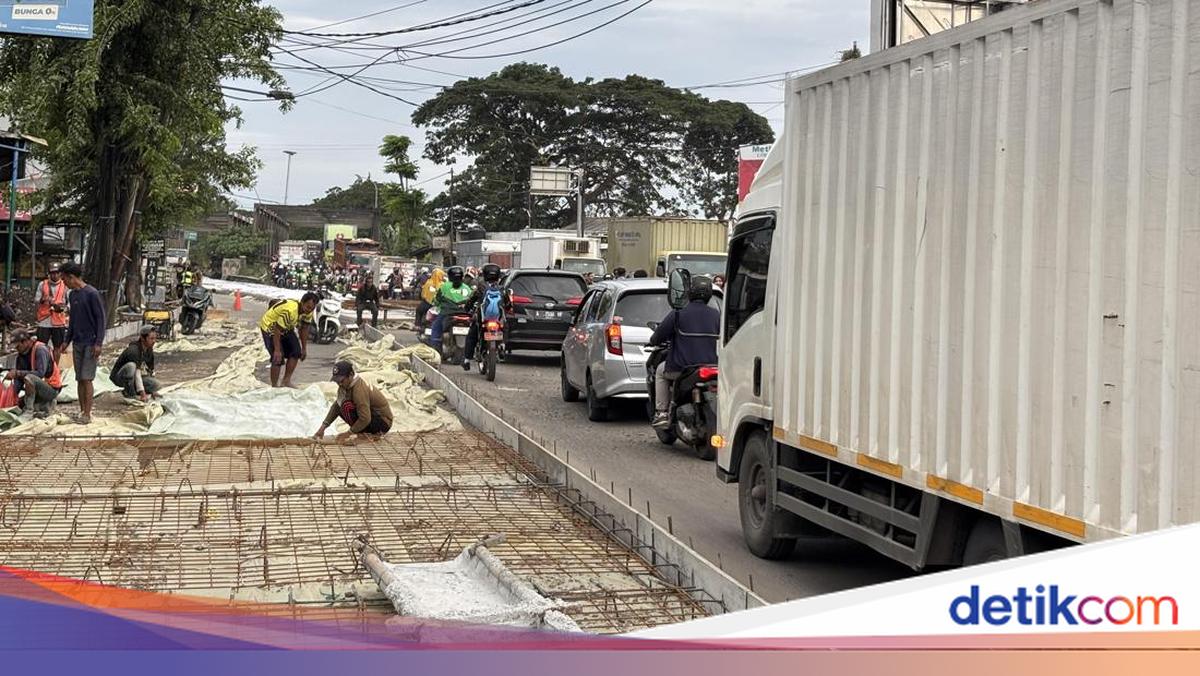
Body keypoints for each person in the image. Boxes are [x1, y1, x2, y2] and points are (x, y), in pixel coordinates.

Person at [648, 276, 720, 429]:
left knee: (660, 371)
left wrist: (653, 340)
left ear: (689, 293)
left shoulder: (678, 314)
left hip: (681, 369)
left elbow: (657, 337)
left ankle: (661, 413)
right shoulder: (717, 315)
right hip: (713, 367)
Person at [60, 262, 106, 425]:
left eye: (64, 279)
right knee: (79, 378)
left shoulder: (92, 294)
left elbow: (101, 319)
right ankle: (82, 411)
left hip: (91, 342)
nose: (63, 282)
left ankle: (87, 413)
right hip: (78, 342)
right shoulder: (72, 295)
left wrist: (98, 342)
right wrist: (67, 340)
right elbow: (72, 320)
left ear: (72, 277)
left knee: (87, 378)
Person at [314, 361, 394, 439]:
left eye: (342, 381)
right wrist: (322, 428)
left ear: (351, 375)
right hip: (372, 417)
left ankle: (364, 433)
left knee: (346, 406)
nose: (340, 384)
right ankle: (360, 431)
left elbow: (365, 418)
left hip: (383, 423)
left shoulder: (359, 390)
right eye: (337, 382)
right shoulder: (345, 387)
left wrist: (349, 433)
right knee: (341, 405)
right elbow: (336, 407)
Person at [259, 292, 319, 388]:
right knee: (278, 358)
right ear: (302, 303)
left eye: (312, 308)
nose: (309, 310)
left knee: (296, 351)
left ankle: (286, 381)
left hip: (286, 327)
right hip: (270, 327)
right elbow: (277, 330)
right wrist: (277, 350)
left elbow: (304, 328)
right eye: (307, 307)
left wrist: (304, 348)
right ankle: (274, 386)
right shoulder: (290, 311)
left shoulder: (309, 312)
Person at [460, 264, 510, 371]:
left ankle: (467, 360)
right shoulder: (502, 288)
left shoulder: (481, 287)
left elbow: (471, 300)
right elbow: (508, 304)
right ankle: (503, 345)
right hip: (497, 320)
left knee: (472, 334)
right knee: (505, 327)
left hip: (482, 319)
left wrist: (467, 308)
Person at [4, 328, 63, 417]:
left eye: (18, 346)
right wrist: (12, 396)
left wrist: (18, 373)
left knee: (29, 378)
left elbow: (40, 373)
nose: (17, 349)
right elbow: (18, 380)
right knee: (18, 403)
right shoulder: (21, 356)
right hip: (37, 388)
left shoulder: (40, 349)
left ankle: (29, 411)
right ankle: (40, 405)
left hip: (51, 389)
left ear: (24, 342)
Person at [430, 266, 472, 358]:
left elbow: (437, 299)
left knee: (436, 327)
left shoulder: (444, 286)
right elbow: (471, 299)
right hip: (465, 314)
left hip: (447, 313)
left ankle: (435, 352)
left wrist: (437, 303)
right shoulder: (467, 288)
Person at [111, 325, 160, 402]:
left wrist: (153, 390)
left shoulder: (149, 349)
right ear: (143, 338)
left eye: (155, 338)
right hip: (119, 377)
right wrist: (142, 393)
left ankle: (133, 389)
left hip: (134, 376)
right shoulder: (134, 350)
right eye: (151, 338)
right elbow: (137, 373)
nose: (154, 341)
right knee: (131, 366)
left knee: (156, 384)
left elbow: (150, 370)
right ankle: (129, 393)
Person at [34, 264, 70, 363]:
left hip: (59, 321)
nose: (54, 275)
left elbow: (69, 302)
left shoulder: (65, 285)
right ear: (49, 274)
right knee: (41, 346)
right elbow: (36, 299)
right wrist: (43, 299)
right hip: (44, 320)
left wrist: (63, 308)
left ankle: (55, 368)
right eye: (52, 273)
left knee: (58, 347)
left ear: (60, 274)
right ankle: (43, 366)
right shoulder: (42, 284)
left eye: (56, 273)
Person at [415, 267, 444, 335]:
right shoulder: (443, 285)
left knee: (419, 310)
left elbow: (423, 295)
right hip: (439, 306)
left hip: (427, 304)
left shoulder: (428, 283)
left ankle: (417, 325)